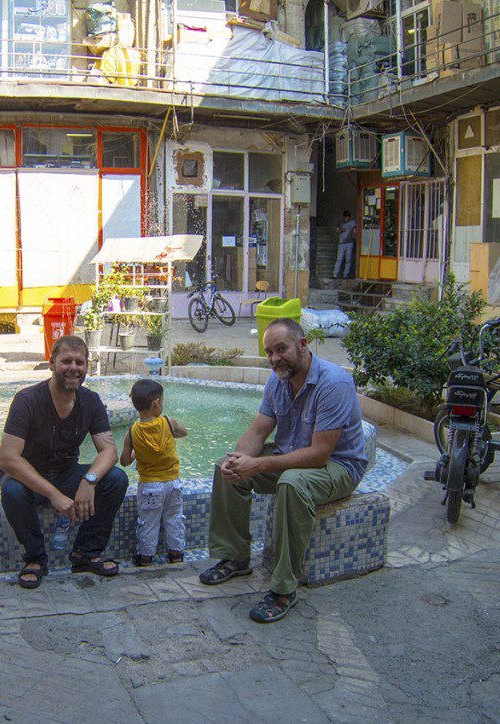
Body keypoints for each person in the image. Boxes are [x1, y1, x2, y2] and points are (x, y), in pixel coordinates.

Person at [199, 318, 367, 623]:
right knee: (226, 469)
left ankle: (284, 588)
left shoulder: (334, 382)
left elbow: (319, 454)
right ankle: (235, 556)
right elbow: (257, 433)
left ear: (302, 345)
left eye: (281, 349)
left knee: (292, 483)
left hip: (338, 466)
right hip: (293, 456)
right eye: (269, 352)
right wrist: (238, 462)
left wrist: (259, 464)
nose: (275, 358)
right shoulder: (277, 382)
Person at [0, 335, 129, 589]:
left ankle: (85, 553)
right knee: (11, 490)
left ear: (86, 367)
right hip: (29, 478)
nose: (73, 368)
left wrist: (89, 481)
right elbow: (8, 458)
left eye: (80, 362)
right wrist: (53, 495)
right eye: (66, 361)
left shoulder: (90, 401)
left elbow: (109, 452)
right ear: (52, 364)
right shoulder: (27, 400)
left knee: (115, 479)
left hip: (67, 473)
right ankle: (35, 559)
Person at [119, 379, 188, 567]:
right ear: (156, 403)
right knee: (174, 518)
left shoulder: (132, 432)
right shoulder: (168, 422)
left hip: (150, 486)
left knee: (148, 521)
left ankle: (146, 557)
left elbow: (124, 461)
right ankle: (176, 554)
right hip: (172, 483)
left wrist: (135, 450)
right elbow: (184, 433)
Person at [333, 210, 357, 279]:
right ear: (343, 217)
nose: (347, 218)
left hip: (350, 242)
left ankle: (345, 275)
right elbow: (337, 231)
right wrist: (341, 230)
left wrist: (354, 235)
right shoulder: (340, 222)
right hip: (341, 243)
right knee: (339, 259)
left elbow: (354, 231)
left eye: (348, 217)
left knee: (348, 259)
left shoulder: (352, 222)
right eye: (346, 217)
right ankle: (335, 274)